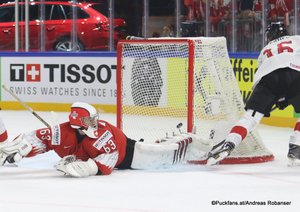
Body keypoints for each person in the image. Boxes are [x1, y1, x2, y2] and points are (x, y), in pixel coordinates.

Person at [0, 102, 207, 177]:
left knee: (163, 155)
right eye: (90, 120)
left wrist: (88, 168)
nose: (95, 122)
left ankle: (189, 142)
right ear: (79, 124)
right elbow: (36, 139)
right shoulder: (62, 132)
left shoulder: (104, 136)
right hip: (120, 153)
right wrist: (22, 149)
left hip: (131, 156)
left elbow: (108, 163)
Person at [207, 22, 300, 166]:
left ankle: (229, 144)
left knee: (250, 119)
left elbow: (267, 78)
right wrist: (286, 97)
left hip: (268, 80)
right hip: (296, 73)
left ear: (270, 36)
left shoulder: (265, 50)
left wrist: (276, 98)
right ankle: (296, 146)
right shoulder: (296, 39)